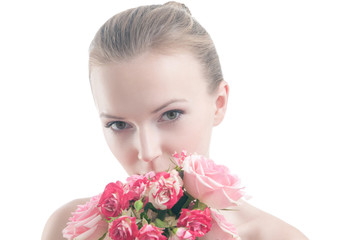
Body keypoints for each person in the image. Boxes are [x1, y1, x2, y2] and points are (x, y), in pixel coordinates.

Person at [42, 2, 308, 239]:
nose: (147, 152)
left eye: (170, 115)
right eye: (119, 125)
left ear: (219, 104)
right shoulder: (69, 230)